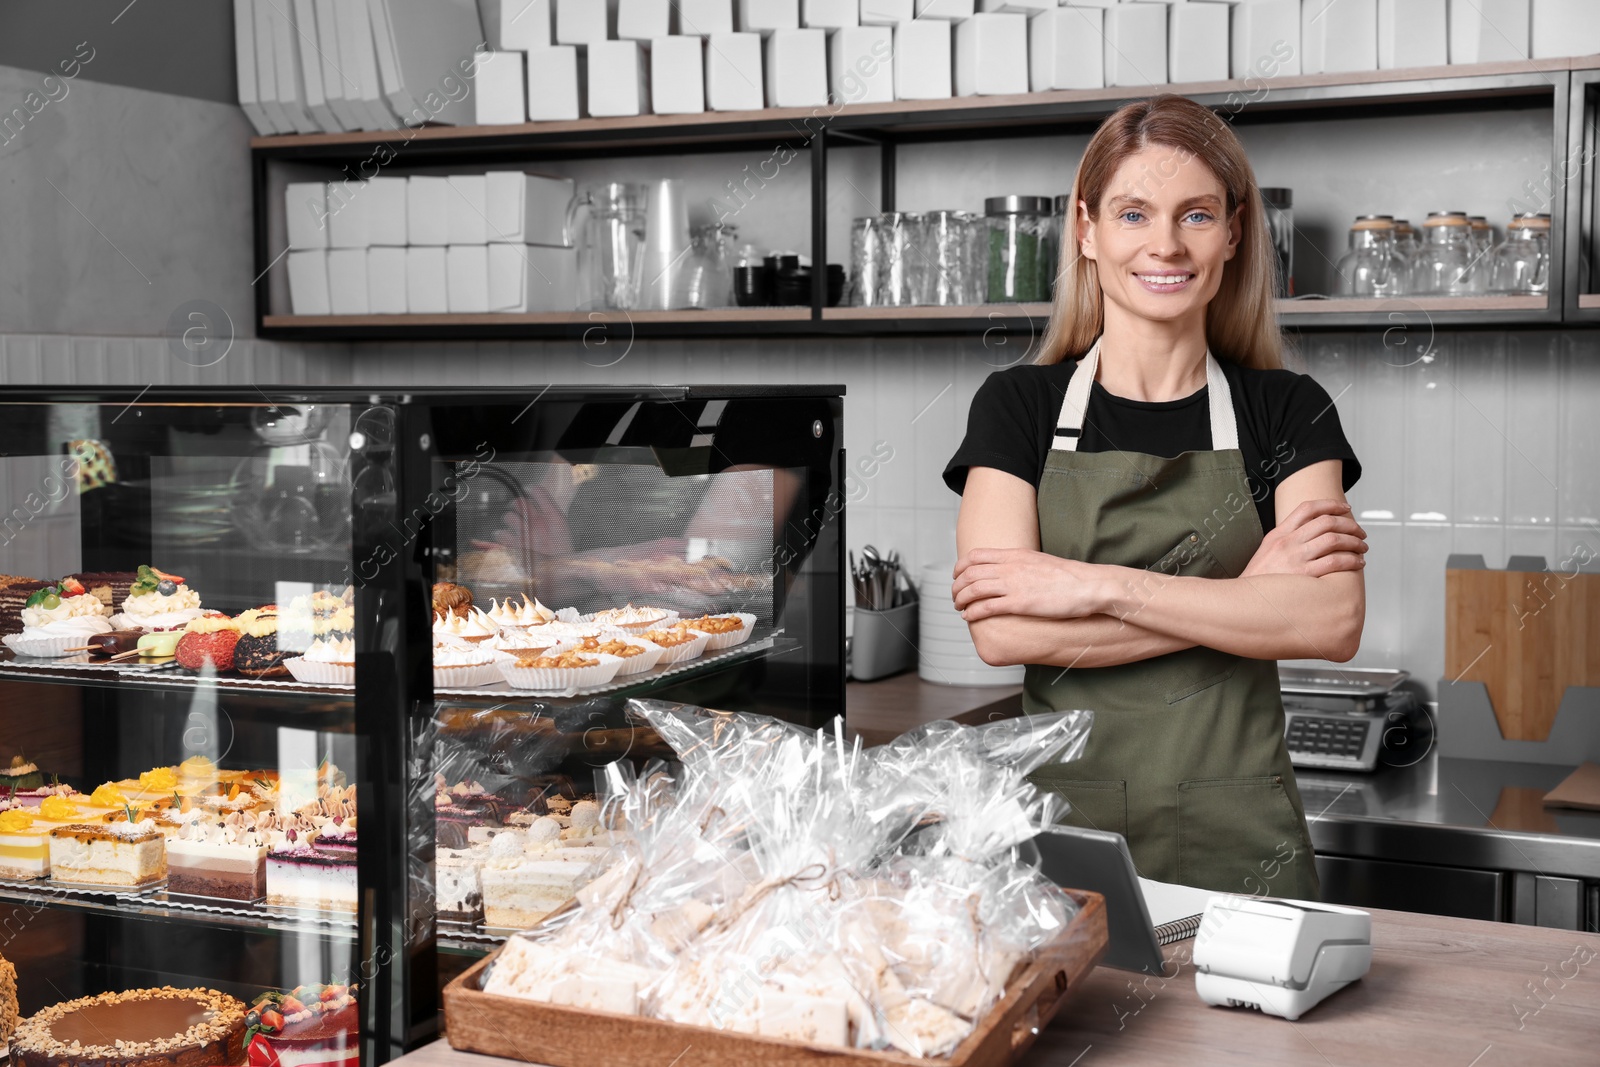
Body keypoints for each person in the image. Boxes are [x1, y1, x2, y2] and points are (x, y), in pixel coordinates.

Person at [944, 95, 1368, 901]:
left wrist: (1092, 585)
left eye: (1197, 215)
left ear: (1235, 232)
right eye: (1133, 213)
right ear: (1086, 229)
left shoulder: (1288, 409)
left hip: (1243, 837)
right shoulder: (1019, 407)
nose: (1165, 244)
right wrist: (1242, 602)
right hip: (1071, 832)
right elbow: (1002, 631)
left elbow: (1330, 621)